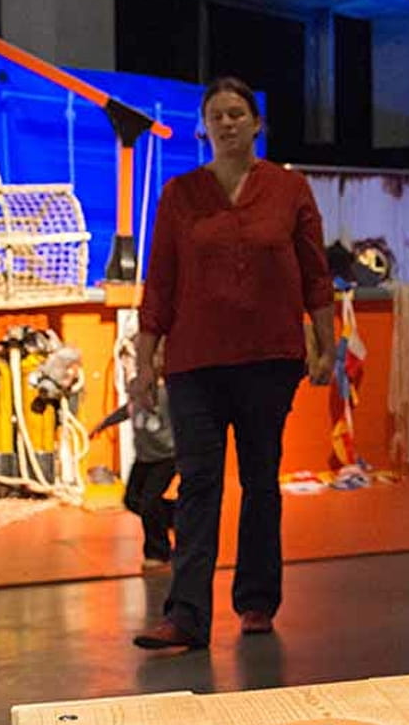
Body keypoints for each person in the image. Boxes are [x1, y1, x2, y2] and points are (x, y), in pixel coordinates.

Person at [130, 77, 335, 650]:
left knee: (260, 482)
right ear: (204, 126)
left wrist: (327, 343)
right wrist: (144, 364)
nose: (226, 123)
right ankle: (186, 614)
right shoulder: (179, 195)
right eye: (216, 115)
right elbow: (160, 283)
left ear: (256, 123)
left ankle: (256, 602)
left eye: (237, 113)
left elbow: (316, 273)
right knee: (197, 482)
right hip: (194, 362)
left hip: (268, 359)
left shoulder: (290, 190)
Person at [92, 344, 177, 569]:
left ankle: (159, 553)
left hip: (166, 457)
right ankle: (178, 516)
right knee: (132, 500)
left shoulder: (166, 392)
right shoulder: (137, 389)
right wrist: (104, 424)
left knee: (149, 502)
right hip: (144, 457)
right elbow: (127, 409)